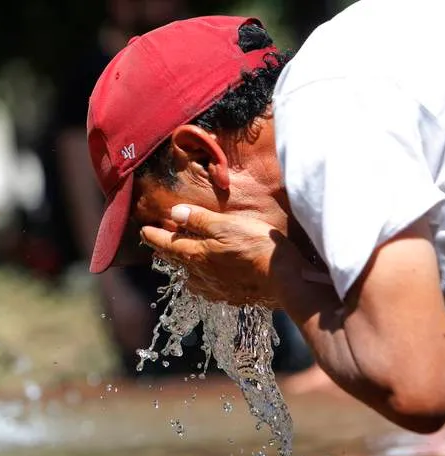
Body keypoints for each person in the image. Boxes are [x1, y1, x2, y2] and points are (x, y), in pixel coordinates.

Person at [84, 3, 445, 434]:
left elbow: (422, 392)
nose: (178, 261)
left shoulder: (323, 112)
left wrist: (284, 279)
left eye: (165, 226)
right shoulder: (364, 74)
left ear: (202, 158)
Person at [48, 0, 314, 376]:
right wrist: (112, 288)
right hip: (148, 283)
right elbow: (79, 185)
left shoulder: (345, 173)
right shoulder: (85, 76)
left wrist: (288, 279)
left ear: (204, 158)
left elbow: (408, 389)